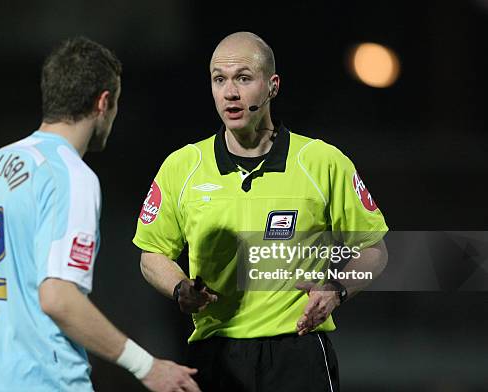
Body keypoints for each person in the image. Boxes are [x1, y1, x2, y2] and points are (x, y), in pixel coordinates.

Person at [0, 37, 200, 392]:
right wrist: (147, 366)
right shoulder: (71, 176)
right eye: (117, 103)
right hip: (41, 382)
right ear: (103, 102)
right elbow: (57, 297)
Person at [133, 32, 389, 391]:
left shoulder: (322, 162)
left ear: (272, 86)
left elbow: (375, 251)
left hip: (298, 354)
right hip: (216, 355)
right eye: (219, 80)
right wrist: (180, 289)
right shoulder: (182, 166)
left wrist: (336, 289)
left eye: (243, 78)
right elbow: (152, 254)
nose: (230, 92)